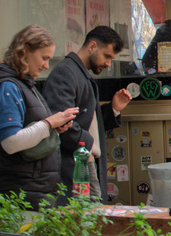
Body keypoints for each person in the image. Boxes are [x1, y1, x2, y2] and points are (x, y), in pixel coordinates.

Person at [0, 25, 79, 209]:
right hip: (19, 194)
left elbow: (30, 131)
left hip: (33, 193)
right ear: (25, 51)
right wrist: (49, 123)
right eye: (44, 58)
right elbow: (11, 143)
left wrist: (54, 127)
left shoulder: (24, 85)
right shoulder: (8, 87)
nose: (46, 66)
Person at [43, 26, 132, 204]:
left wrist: (113, 109)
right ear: (92, 46)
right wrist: (88, 146)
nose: (108, 64)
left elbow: (87, 121)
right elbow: (61, 122)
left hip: (82, 164)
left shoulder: (77, 73)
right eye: (106, 56)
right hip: (75, 167)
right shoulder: (65, 73)